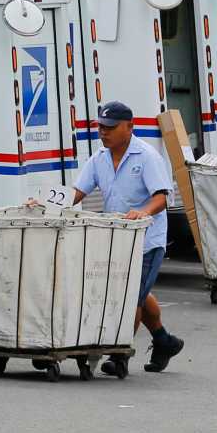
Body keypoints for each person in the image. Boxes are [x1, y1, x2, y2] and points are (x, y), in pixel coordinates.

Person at [63, 101, 184, 373]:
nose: (103, 133)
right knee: (134, 294)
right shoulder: (99, 159)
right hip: (115, 242)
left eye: (110, 128)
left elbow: (162, 197)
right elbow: (77, 192)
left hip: (146, 241)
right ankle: (164, 342)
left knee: (129, 298)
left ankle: (119, 356)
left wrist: (142, 212)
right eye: (100, 127)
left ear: (130, 128)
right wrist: (50, 205)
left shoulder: (147, 157)